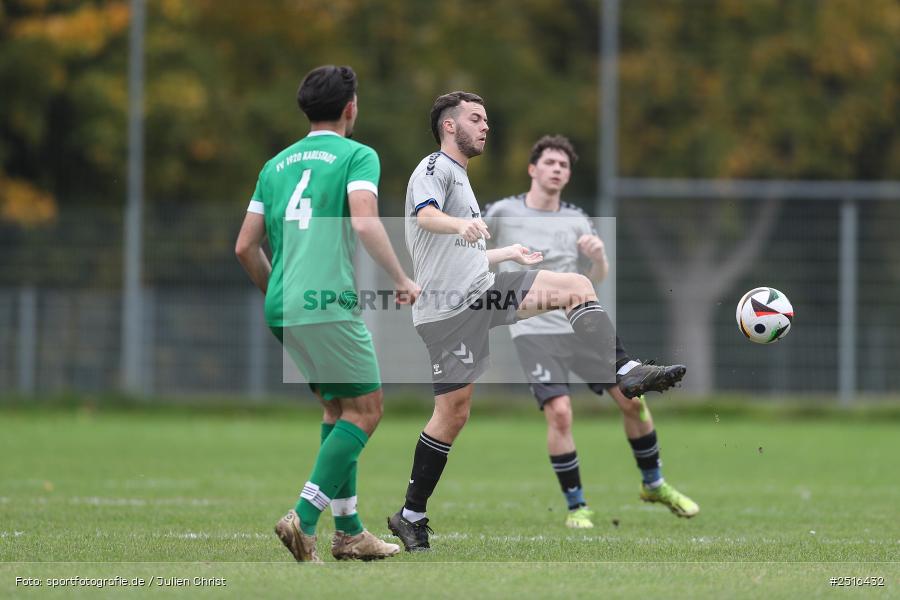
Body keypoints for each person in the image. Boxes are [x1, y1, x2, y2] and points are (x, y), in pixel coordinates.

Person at [387, 92, 687, 552]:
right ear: (449, 125)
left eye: (486, 119)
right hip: (447, 312)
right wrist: (459, 225)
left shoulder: (461, 177)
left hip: (479, 294)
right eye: (475, 118)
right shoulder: (435, 167)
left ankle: (626, 370)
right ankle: (411, 514)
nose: (485, 126)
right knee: (452, 415)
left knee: (576, 287)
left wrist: (504, 252)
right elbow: (425, 216)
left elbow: (455, 255)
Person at [235, 65, 419, 562]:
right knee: (368, 410)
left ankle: (350, 532)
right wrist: (401, 278)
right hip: (327, 303)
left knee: (338, 410)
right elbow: (365, 222)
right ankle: (303, 516)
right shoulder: (357, 155)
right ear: (350, 107)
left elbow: (245, 246)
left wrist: (279, 293)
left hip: (283, 303)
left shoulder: (275, 165)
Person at [482, 134, 699, 529]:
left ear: (568, 175)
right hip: (534, 332)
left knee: (634, 402)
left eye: (563, 165)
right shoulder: (502, 211)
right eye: (549, 163)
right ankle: (577, 507)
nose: (557, 169)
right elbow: (472, 252)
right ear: (532, 169)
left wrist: (598, 258)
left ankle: (654, 484)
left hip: (580, 327)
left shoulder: (577, 219)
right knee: (560, 413)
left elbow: (595, 278)